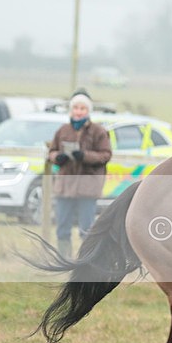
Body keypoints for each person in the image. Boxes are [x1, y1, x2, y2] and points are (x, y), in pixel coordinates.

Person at [47, 89, 112, 258]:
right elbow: (52, 151)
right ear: (71, 109)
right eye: (76, 108)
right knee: (62, 228)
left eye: (82, 108)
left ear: (88, 110)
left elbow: (105, 155)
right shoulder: (63, 130)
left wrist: (84, 156)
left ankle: (86, 261)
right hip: (65, 187)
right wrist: (57, 157)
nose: (79, 111)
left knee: (86, 229)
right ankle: (64, 259)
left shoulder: (98, 131)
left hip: (87, 187)